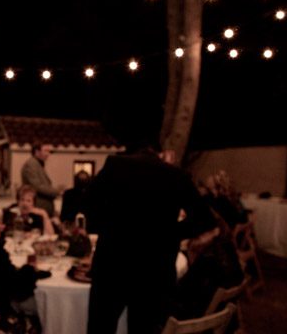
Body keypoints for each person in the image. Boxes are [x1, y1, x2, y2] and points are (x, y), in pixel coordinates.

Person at [86, 140, 217, 334]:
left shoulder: (114, 164)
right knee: (144, 328)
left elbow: (89, 206)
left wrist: (110, 227)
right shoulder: (177, 175)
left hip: (112, 264)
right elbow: (205, 219)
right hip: (155, 269)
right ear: (161, 153)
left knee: (101, 327)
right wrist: (171, 233)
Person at [21, 143, 62, 217]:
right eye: (45, 151)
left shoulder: (37, 164)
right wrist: (57, 192)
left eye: (49, 151)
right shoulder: (31, 164)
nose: (48, 154)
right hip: (38, 209)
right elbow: (37, 186)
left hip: (42, 209)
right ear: (37, 152)